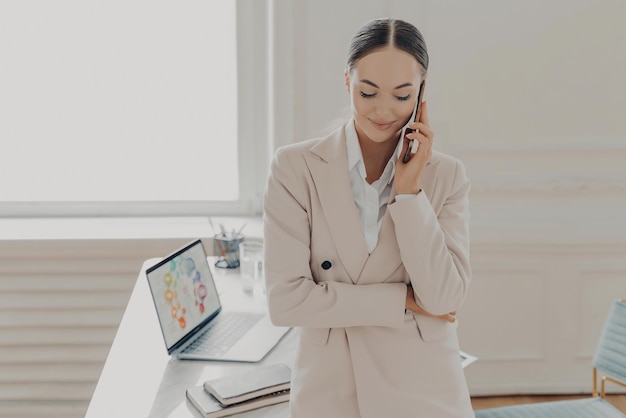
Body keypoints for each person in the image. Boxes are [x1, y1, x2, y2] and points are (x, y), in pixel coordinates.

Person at [263, 17, 474, 418]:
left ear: (421, 93)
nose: (383, 110)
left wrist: (410, 193)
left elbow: (445, 299)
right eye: (368, 92)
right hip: (331, 389)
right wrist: (405, 300)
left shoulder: (446, 176)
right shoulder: (296, 168)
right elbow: (286, 302)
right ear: (347, 82)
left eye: (401, 95)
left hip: (424, 389)